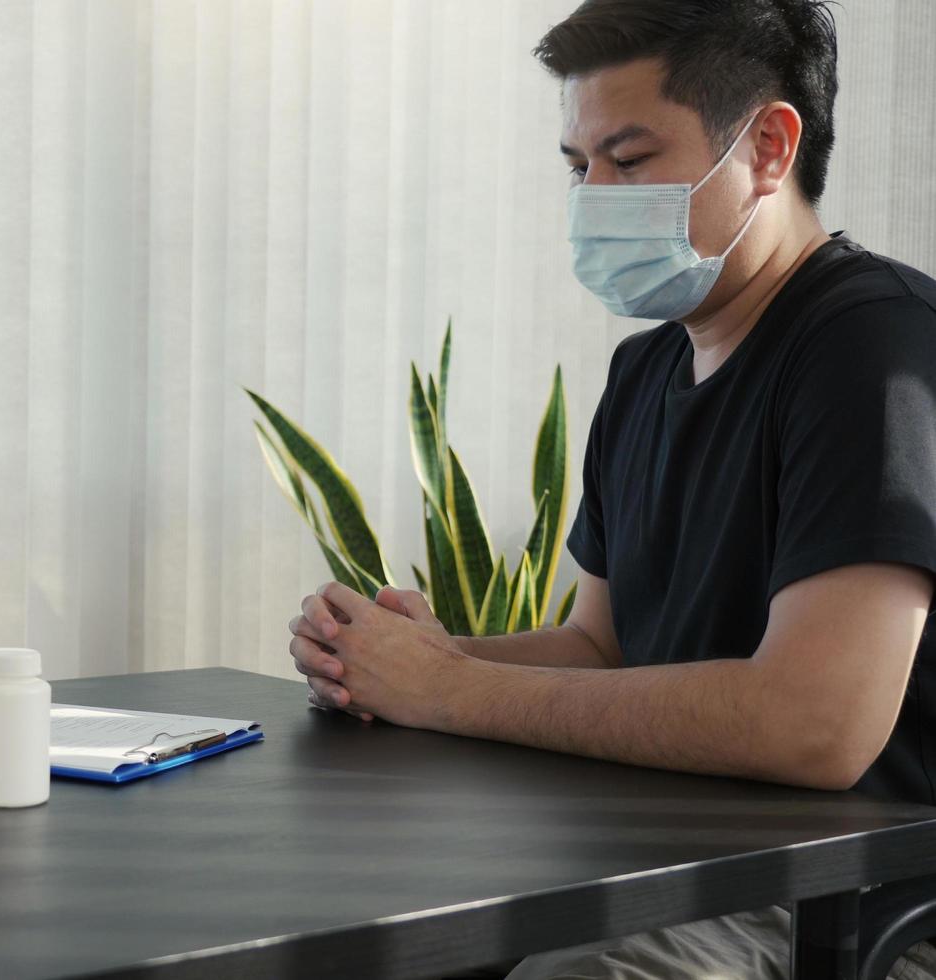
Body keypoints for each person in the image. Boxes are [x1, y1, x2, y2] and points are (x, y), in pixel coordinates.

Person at [287, 1, 936, 977]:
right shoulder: (642, 372)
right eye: (574, 165)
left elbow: (817, 723)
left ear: (765, 146)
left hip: (829, 903)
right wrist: (404, 659)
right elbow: (601, 645)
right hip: (645, 855)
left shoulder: (871, 350)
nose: (591, 195)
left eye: (626, 162)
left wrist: (450, 689)